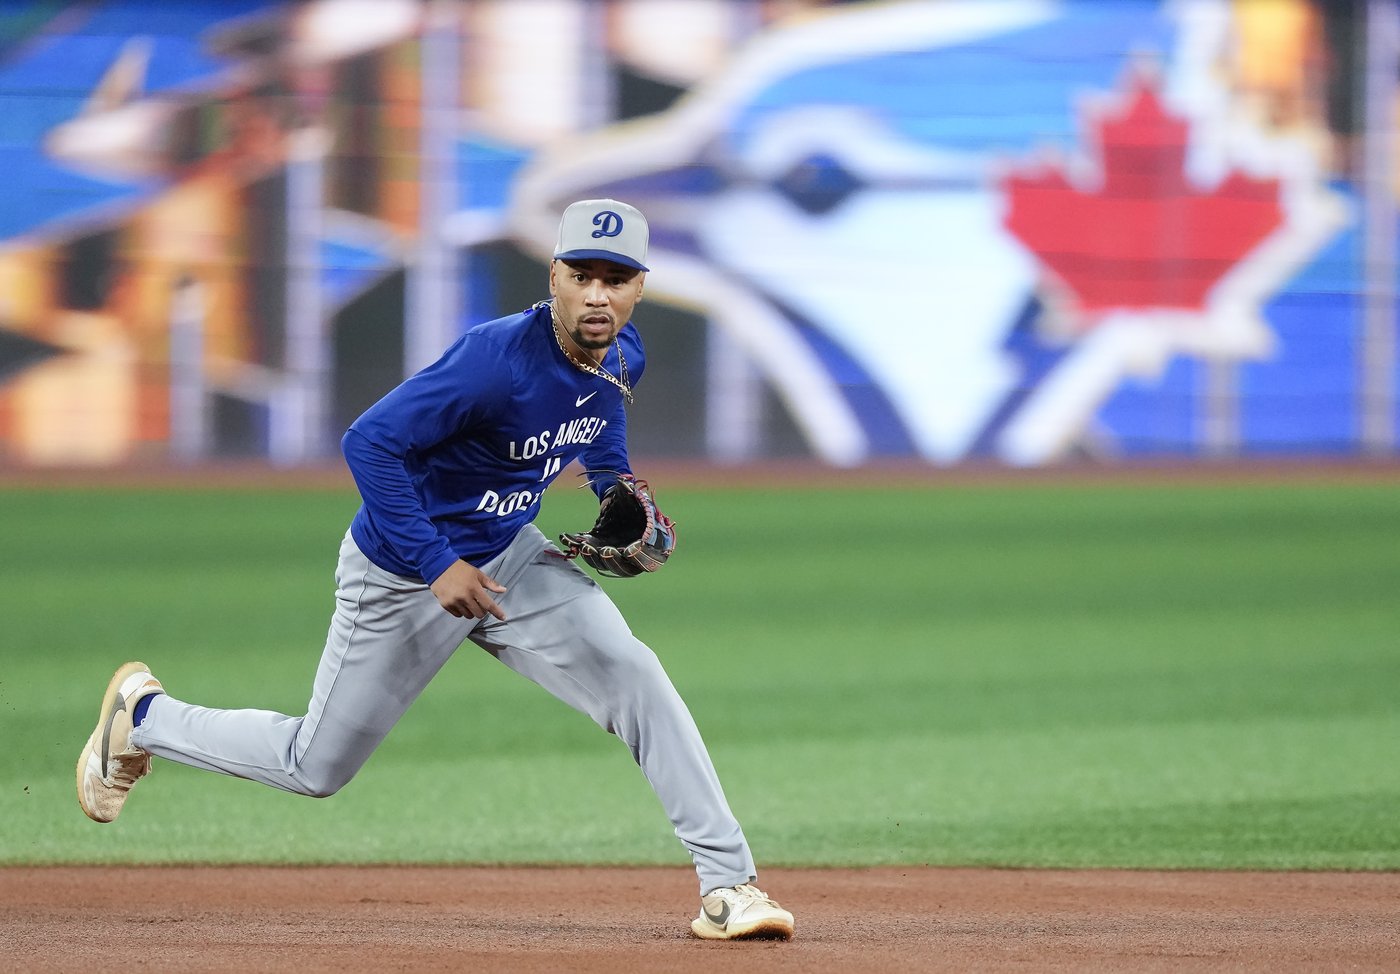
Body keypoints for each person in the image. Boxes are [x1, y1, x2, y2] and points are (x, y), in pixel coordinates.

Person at [75, 199, 795, 942]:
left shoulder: (621, 353)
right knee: (314, 766)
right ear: (554, 275)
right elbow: (370, 444)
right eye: (582, 275)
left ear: (640, 286)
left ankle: (728, 886)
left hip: (512, 556)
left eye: (616, 279)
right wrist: (434, 563)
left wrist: (615, 486)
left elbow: (600, 420)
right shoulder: (494, 362)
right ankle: (145, 719)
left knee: (633, 673)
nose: (597, 294)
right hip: (399, 570)